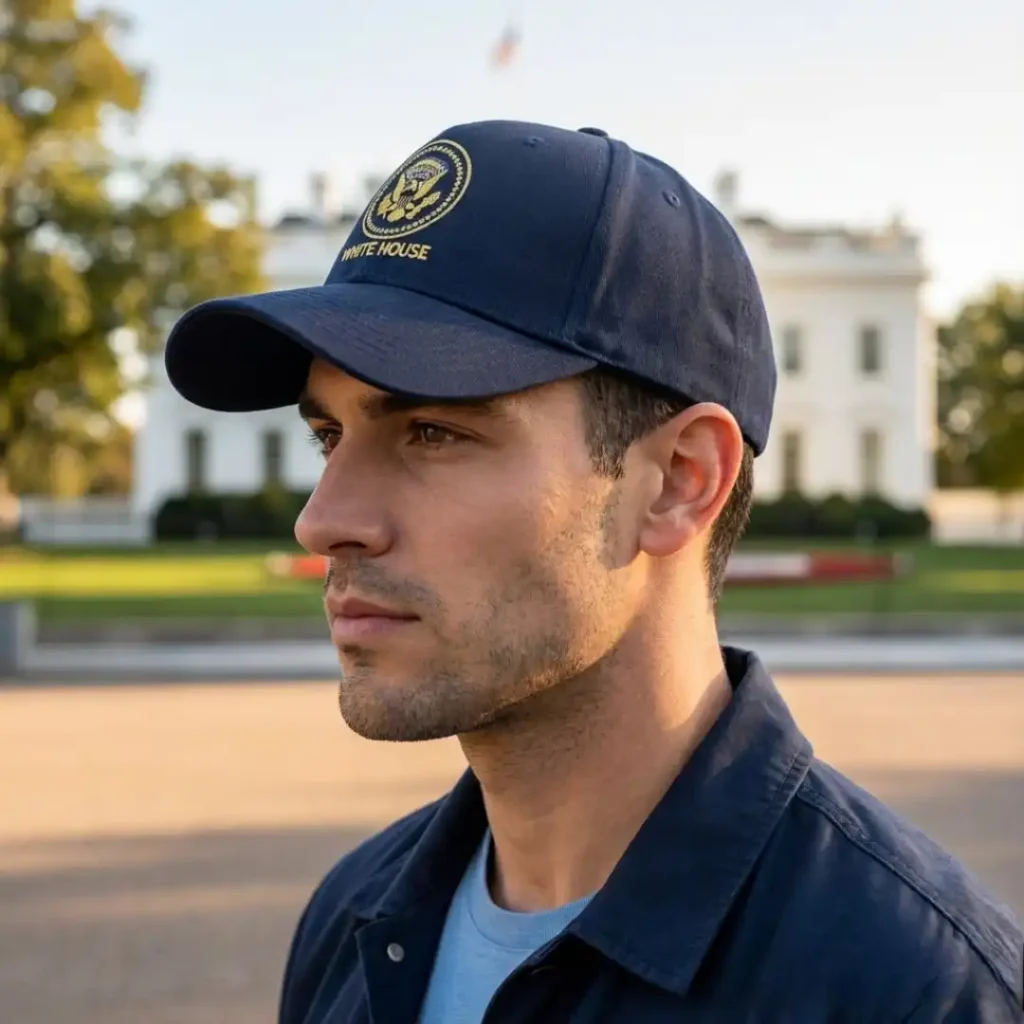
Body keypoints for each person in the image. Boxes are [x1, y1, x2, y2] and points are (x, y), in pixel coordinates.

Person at [165, 121, 1023, 1023]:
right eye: (328, 436)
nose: (323, 518)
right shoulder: (350, 919)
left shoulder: (914, 993)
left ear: (678, 483)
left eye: (432, 432)